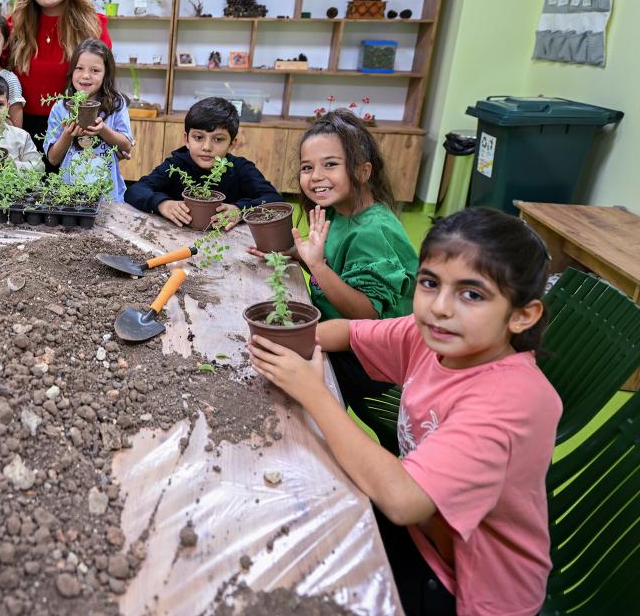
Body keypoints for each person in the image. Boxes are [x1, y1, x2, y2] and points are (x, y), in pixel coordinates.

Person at [249, 207, 560, 616]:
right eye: (430, 283)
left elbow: (402, 500)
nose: (441, 308)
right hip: (421, 532)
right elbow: (346, 332)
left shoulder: (511, 400)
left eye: (472, 294)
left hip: (470, 586)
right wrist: (280, 340)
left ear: (522, 315)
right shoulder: (435, 337)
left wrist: (313, 392)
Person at [253, 109, 417, 410]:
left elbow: (366, 313)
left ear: (363, 171)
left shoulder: (373, 230)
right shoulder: (337, 210)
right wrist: (298, 257)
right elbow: (337, 275)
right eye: (307, 167)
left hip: (376, 367)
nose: (316, 177)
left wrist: (316, 265)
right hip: (344, 340)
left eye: (330, 164)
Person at [6, 0, 111, 147]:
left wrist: (115, 136)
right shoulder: (14, 27)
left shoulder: (94, 26)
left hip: (75, 127)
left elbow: (105, 80)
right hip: (23, 131)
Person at [125, 96, 282, 226]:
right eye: (198, 138)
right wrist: (162, 204)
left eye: (218, 139)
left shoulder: (241, 168)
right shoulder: (176, 165)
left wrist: (240, 209)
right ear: (186, 139)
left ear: (232, 143)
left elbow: (275, 201)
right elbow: (135, 190)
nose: (207, 147)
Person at [44, 39, 133, 201]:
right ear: (71, 71)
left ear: (106, 74)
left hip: (108, 196)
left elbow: (126, 145)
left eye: (95, 70)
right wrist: (67, 134)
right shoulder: (60, 108)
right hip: (70, 195)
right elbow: (53, 158)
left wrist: (103, 130)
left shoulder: (116, 103)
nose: (86, 75)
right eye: (79, 68)